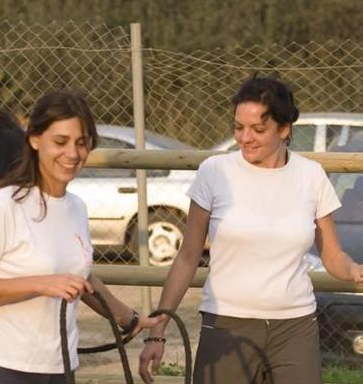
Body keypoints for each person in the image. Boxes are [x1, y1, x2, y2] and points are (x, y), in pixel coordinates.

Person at [138, 75, 363, 384]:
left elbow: (333, 255)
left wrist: (354, 271)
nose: (245, 138)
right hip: (226, 325)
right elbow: (188, 258)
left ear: (284, 130)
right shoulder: (214, 172)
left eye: (258, 129)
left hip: (295, 327)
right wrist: (158, 330)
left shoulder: (311, 176)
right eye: (238, 127)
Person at [0, 91, 163, 383]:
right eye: (60, 142)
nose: (72, 154)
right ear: (35, 140)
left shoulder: (76, 207)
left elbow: (81, 278)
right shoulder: (4, 205)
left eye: (82, 142)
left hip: (60, 367)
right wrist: (41, 284)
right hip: (2, 368)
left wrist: (131, 319)